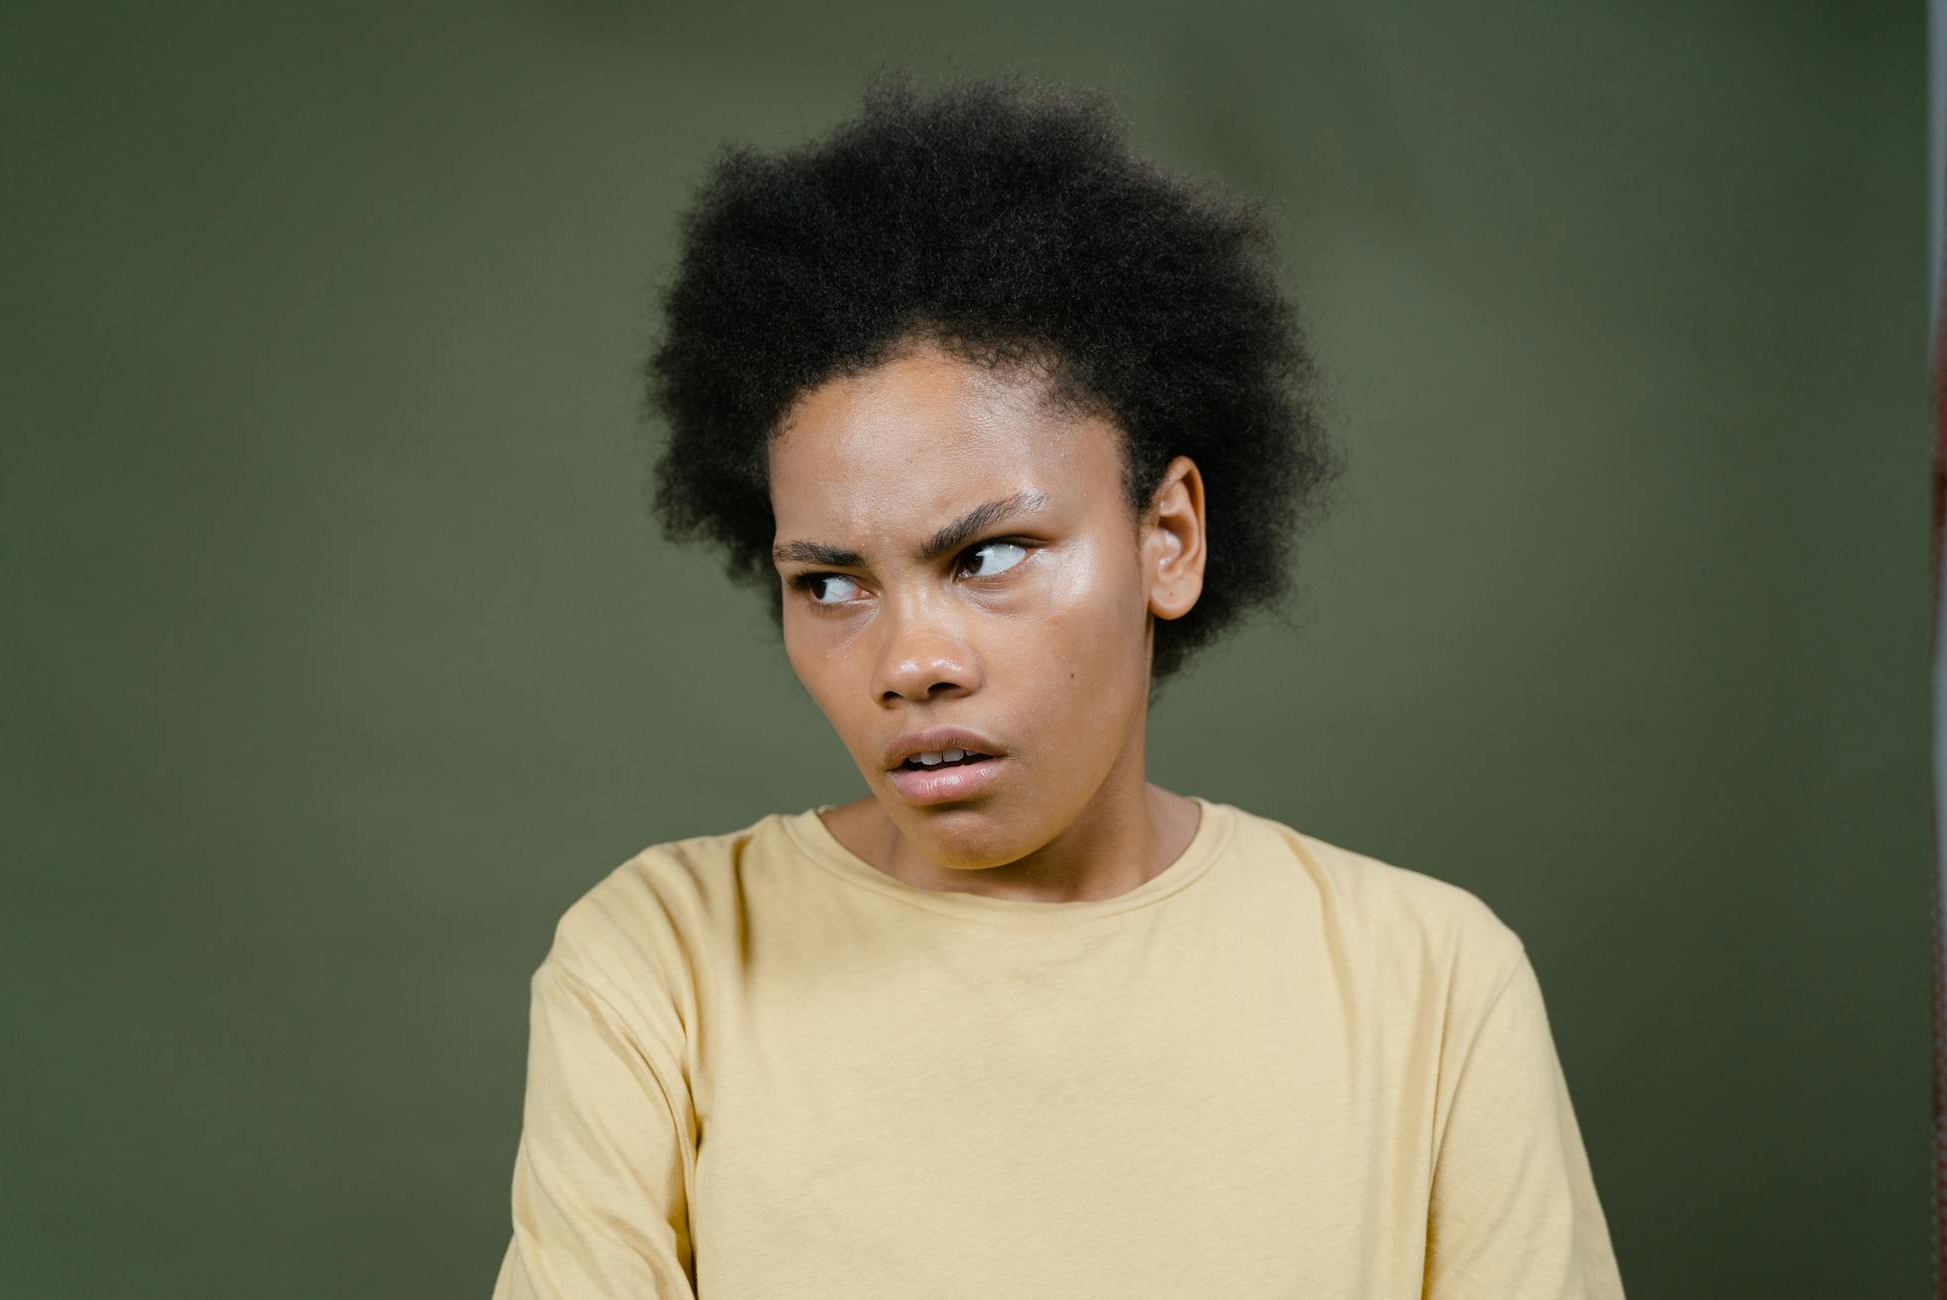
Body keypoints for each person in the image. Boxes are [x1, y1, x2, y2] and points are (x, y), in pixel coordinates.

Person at [489, 72, 1624, 1299]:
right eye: (830, 583)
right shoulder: (661, 967)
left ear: (1169, 537)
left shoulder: (1433, 985)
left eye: (987, 557)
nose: (911, 662)